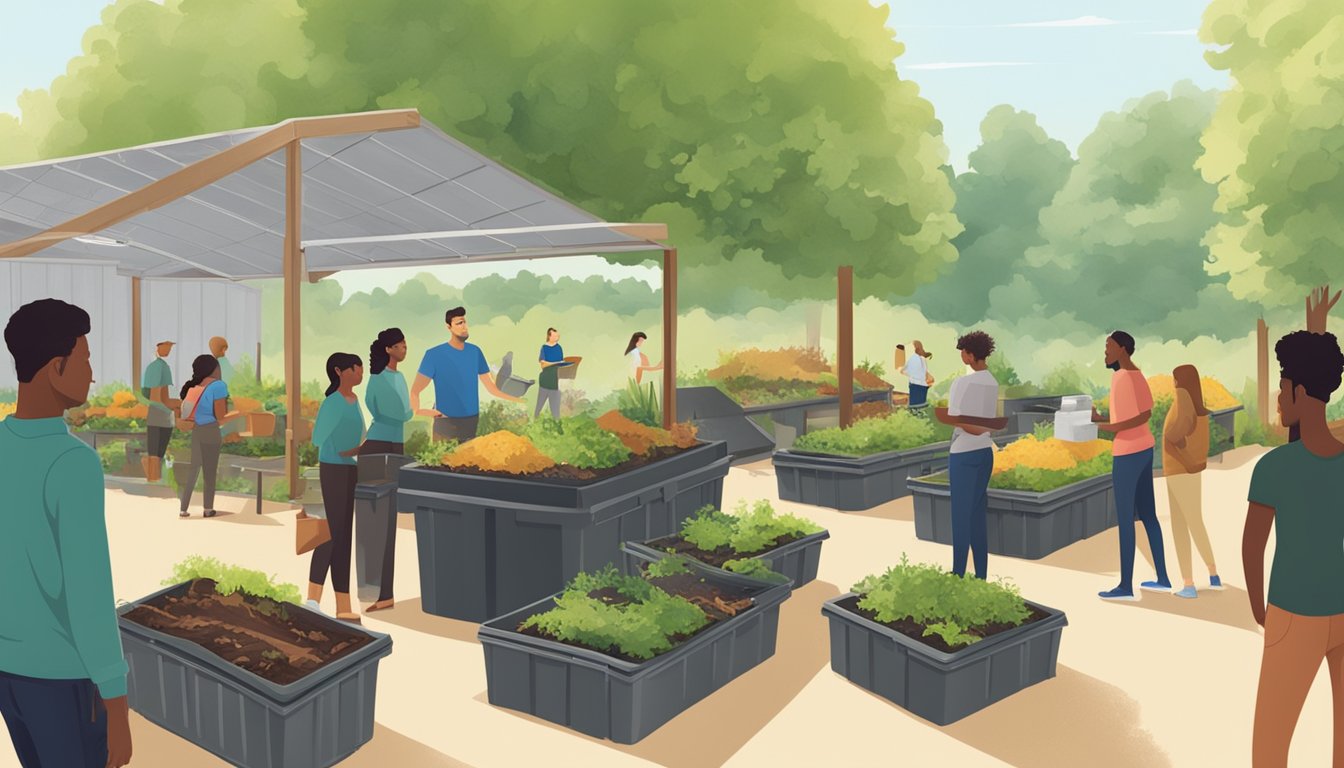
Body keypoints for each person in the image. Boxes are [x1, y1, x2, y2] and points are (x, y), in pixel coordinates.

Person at [0, 299, 133, 767]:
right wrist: (116, 704)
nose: (92, 374)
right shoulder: (72, 462)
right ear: (56, 367)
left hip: (8, 676)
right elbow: (89, 592)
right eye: (85, 359)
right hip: (64, 679)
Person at [1244, 285, 1344, 768]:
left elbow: (1252, 547)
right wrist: (1318, 332)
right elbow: (1316, 400)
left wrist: (1259, 606)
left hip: (1293, 613)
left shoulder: (1275, 468)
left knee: (1271, 744)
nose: (1278, 397)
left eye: (1282, 388)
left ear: (1297, 391)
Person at [1091, 330, 1171, 601]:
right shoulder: (1136, 376)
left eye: (1108, 347)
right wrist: (1100, 418)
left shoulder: (1123, 377)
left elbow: (1139, 416)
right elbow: (1139, 414)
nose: (1105, 352)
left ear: (1122, 349)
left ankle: (1126, 586)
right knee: (1148, 514)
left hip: (1127, 453)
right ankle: (1162, 577)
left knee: (1125, 519)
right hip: (1144, 449)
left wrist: (1109, 426)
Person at [933, 331, 1000, 580]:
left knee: (960, 515)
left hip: (963, 452)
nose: (962, 355)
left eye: (963, 351)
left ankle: (958, 573)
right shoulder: (992, 382)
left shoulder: (963, 383)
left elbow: (956, 417)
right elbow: (985, 420)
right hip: (984, 451)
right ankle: (981, 574)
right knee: (977, 515)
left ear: (971, 355)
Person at [307, 353, 367, 624]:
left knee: (344, 538)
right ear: (340, 371)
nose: (360, 372)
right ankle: (312, 599)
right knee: (332, 533)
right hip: (333, 468)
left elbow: (361, 434)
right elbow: (318, 438)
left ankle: (343, 604)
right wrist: (346, 449)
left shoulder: (355, 402)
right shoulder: (333, 403)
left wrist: (357, 449)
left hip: (350, 469)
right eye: (356, 368)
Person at [410, 307, 525, 443]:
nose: (464, 327)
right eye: (459, 323)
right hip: (446, 424)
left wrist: (518, 400)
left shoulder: (475, 352)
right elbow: (415, 391)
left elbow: (491, 388)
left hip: (471, 423)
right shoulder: (434, 355)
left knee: (468, 462)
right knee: (442, 462)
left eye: (464, 322)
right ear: (449, 327)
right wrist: (418, 410)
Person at [1163, 364, 1221, 599]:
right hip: (1192, 472)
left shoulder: (1182, 400)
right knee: (1196, 521)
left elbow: (1175, 434)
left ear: (1179, 381)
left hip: (1178, 471)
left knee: (1180, 527)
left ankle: (1188, 583)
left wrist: (1168, 437)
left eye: (1174, 379)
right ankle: (1213, 573)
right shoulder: (1200, 407)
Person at [177, 354, 242, 518]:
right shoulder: (218, 386)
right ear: (213, 369)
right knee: (209, 471)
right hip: (210, 431)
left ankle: (183, 508)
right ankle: (207, 509)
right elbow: (220, 417)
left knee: (194, 469)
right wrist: (240, 413)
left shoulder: (194, 388)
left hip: (197, 430)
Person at [364, 328, 413, 455]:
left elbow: (406, 411)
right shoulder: (378, 376)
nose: (405, 346)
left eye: (404, 341)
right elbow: (371, 403)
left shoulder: (400, 376)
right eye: (400, 342)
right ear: (388, 349)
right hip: (379, 440)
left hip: (399, 441)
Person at [141, 339, 180, 483]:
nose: (168, 349)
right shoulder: (156, 367)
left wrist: (175, 405)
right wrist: (174, 407)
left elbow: (164, 396)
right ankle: (153, 479)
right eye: (166, 346)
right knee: (155, 452)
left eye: (170, 347)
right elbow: (156, 397)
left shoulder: (164, 366)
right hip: (158, 415)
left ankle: (153, 478)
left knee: (158, 452)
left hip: (164, 416)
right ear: (158, 347)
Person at [535, 327, 566, 419]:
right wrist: (555, 363)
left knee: (555, 412)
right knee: (539, 408)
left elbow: (561, 364)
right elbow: (543, 365)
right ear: (549, 336)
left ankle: (556, 429)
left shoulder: (559, 348)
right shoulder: (544, 348)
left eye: (558, 335)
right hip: (544, 382)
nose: (557, 337)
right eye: (555, 335)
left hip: (555, 383)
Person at [901, 340, 934, 409]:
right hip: (923, 386)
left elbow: (902, 370)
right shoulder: (922, 359)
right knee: (921, 405)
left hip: (915, 385)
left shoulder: (912, 358)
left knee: (915, 407)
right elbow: (925, 373)